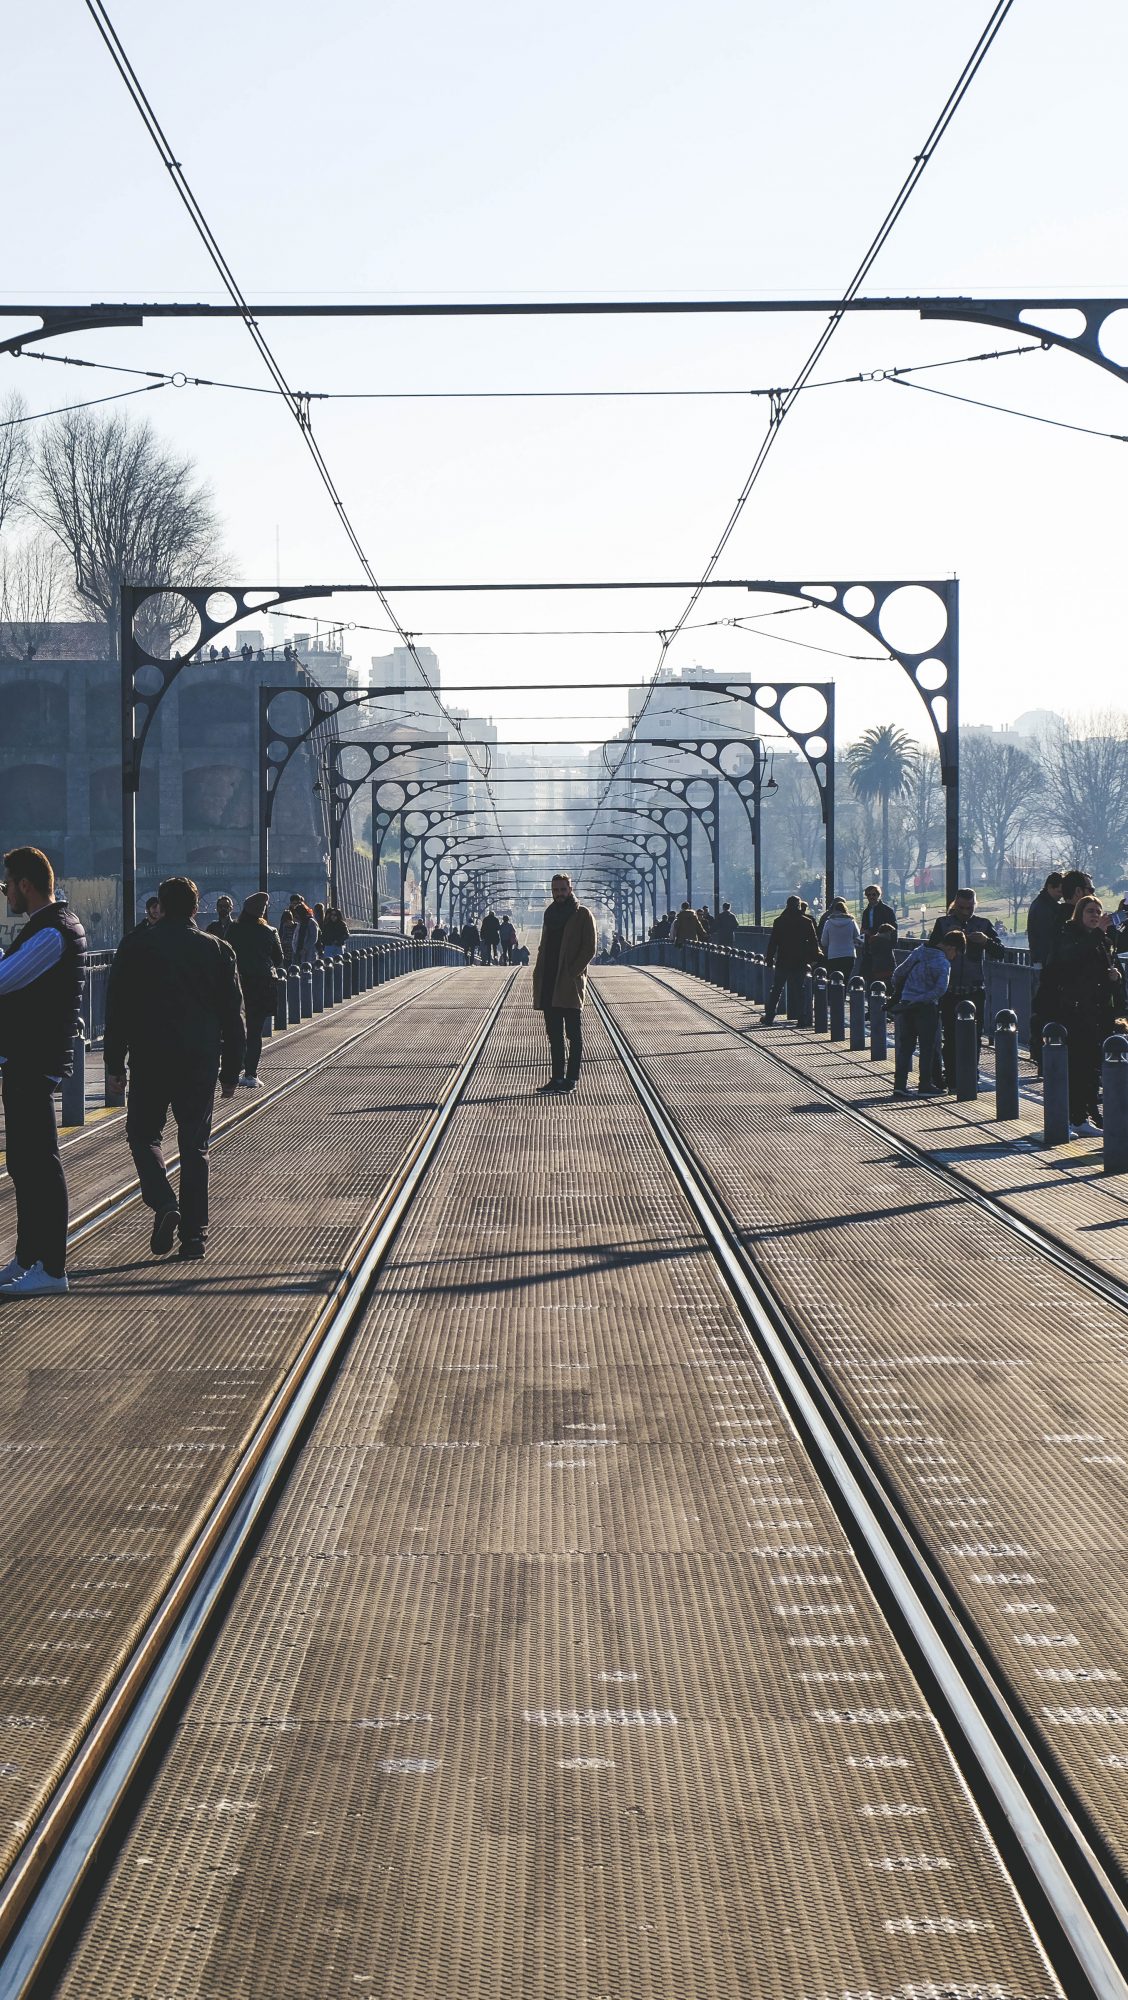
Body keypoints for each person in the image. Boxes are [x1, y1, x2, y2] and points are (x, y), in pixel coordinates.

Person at [103, 876, 246, 1260]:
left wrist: (114, 1064)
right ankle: (194, 1237)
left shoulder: (134, 946)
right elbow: (234, 1016)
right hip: (199, 1060)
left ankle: (165, 1202)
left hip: (150, 1058)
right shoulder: (218, 949)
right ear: (196, 909)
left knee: (143, 1135)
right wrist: (232, 1070)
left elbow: (116, 1012)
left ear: (161, 907)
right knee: (195, 1144)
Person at [0, 847, 87, 1299]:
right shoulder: (47, 928)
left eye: (7, 884)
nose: (6, 892)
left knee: (39, 1165)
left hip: (35, 1061)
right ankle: (27, 1258)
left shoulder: (52, 933)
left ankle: (52, 1267)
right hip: (26, 1060)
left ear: (25, 885)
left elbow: (4, 980)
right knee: (23, 1162)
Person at [1035, 895, 1124, 1135]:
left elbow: (1106, 973)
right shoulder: (1068, 935)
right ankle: (1072, 1117)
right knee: (1075, 1066)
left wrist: (1115, 979)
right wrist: (1098, 935)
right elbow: (1069, 961)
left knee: (1091, 1067)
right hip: (1072, 1011)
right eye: (1090, 911)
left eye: (1098, 911)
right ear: (1079, 914)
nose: (1095, 915)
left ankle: (1085, 1116)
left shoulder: (1102, 941)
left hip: (1097, 1012)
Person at [927, 889, 1004, 1088]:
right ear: (955, 905)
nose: (965, 912)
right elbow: (930, 950)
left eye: (969, 908)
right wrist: (946, 941)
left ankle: (971, 1075)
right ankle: (952, 1076)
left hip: (974, 988)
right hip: (948, 988)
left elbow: (1000, 952)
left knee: (974, 1037)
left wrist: (985, 941)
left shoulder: (983, 924)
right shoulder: (943, 924)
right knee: (950, 1036)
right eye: (961, 908)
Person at [532, 872, 597, 1093]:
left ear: (570, 889)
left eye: (563, 889)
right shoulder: (550, 914)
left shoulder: (583, 914)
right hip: (549, 982)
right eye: (556, 890)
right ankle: (557, 1078)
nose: (559, 894)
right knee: (554, 1035)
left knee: (573, 1034)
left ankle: (571, 1079)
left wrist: (572, 972)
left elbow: (590, 948)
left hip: (569, 984)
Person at [890, 929, 965, 1096]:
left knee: (906, 1047)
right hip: (926, 1007)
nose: (955, 957)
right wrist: (923, 998)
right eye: (956, 953)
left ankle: (899, 1085)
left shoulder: (918, 952)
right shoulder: (943, 963)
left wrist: (905, 993)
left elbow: (898, 973)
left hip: (906, 1004)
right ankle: (925, 1085)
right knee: (927, 1048)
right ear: (951, 948)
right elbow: (940, 989)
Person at [231, 892, 284, 1088]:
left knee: (236, 1030)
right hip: (262, 985)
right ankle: (251, 1074)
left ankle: (233, 1070)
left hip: (239, 984)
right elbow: (279, 959)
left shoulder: (233, 930)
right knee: (255, 1032)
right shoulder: (269, 932)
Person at [762, 894, 822, 1025]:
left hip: (783, 959)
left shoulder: (779, 921)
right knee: (799, 990)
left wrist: (770, 957)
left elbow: (773, 942)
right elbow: (813, 941)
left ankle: (770, 1016)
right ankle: (802, 1018)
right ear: (799, 906)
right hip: (800, 960)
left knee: (776, 989)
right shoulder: (806, 921)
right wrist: (815, 957)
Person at [818, 897, 861, 984]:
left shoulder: (828, 922)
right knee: (845, 979)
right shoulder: (851, 922)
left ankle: (835, 996)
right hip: (849, 954)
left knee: (835, 979)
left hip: (833, 955)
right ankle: (843, 995)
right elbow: (858, 938)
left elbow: (824, 942)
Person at [1026, 872, 1064, 966]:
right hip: (1046, 960)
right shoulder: (1043, 908)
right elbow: (1046, 936)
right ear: (1050, 887)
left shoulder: (1039, 904)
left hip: (1041, 959)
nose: (1061, 895)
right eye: (1059, 892)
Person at [860, 884, 897, 979]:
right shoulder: (866, 912)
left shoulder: (887, 910)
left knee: (884, 977)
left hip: (883, 948)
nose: (871, 897)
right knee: (867, 977)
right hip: (869, 948)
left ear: (878, 895)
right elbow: (863, 929)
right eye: (868, 895)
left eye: (874, 894)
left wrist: (892, 944)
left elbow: (894, 928)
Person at [288, 900, 320, 967]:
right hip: (298, 950)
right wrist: (294, 948)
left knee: (307, 968)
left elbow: (314, 937)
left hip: (308, 951)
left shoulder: (311, 922)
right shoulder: (300, 923)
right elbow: (295, 937)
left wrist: (305, 948)